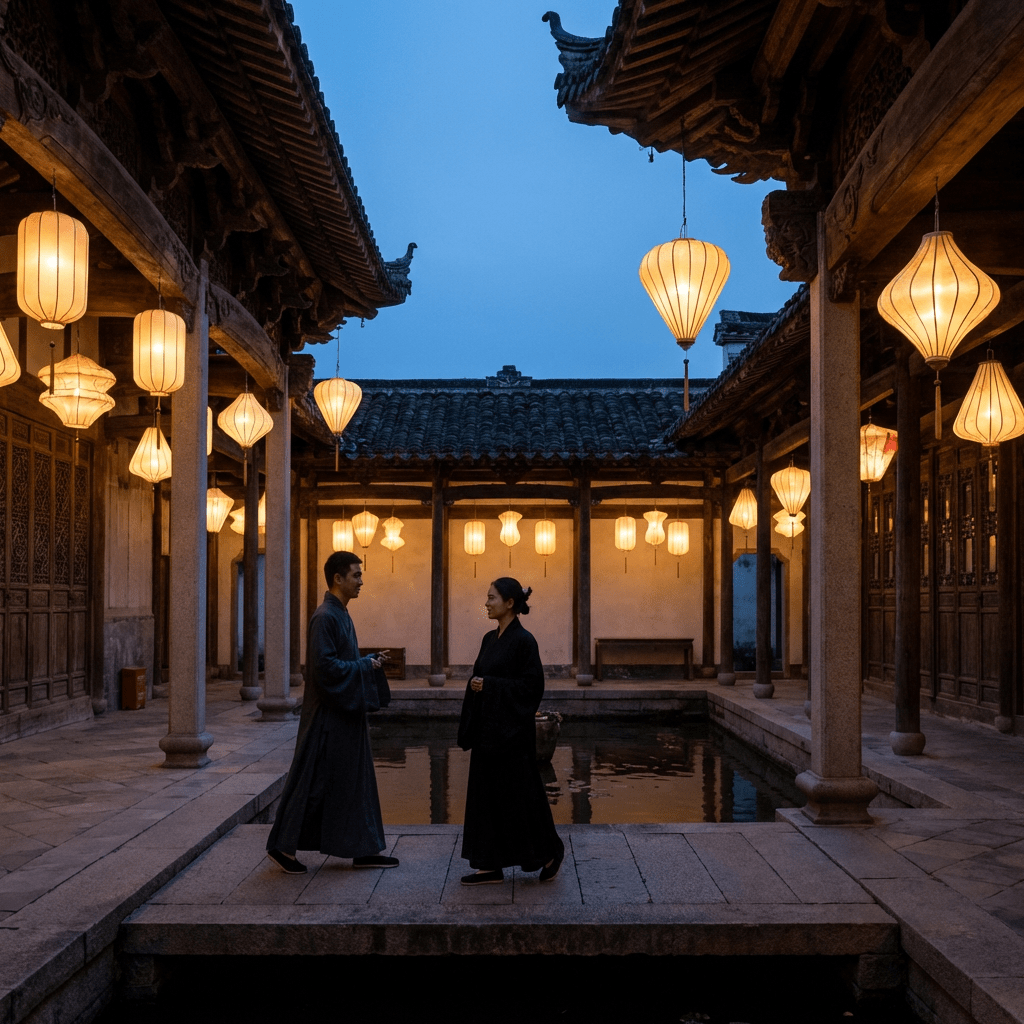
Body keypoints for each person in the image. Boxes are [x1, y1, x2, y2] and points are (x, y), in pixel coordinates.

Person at [266, 550, 397, 874]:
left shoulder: (339, 613)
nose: (361, 581)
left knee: (353, 783)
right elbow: (324, 669)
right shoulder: (326, 616)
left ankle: (363, 848)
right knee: (315, 783)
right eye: (356, 575)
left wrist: (368, 661)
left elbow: (340, 662)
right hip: (328, 718)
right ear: (337, 578)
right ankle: (282, 847)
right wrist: (365, 665)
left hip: (344, 715)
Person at [457, 577, 564, 885]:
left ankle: (548, 853)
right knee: (486, 798)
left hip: (512, 736)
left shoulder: (524, 641)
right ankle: (488, 865)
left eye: (492, 598)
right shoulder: (489, 639)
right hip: (488, 732)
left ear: (510, 603)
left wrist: (490, 686)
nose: (487, 602)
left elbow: (532, 687)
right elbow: (480, 676)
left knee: (520, 797)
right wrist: (478, 685)